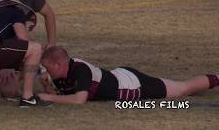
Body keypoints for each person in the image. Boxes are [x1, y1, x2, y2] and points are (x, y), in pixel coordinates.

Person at [37, 46, 219, 104]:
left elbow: (78, 100)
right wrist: (47, 87)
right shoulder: (61, 74)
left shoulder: (80, 69)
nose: (46, 71)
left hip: (132, 86)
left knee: (182, 89)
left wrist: (46, 97)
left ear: (58, 63)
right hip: (120, 77)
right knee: (181, 89)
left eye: (47, 67)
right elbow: (62, 96)